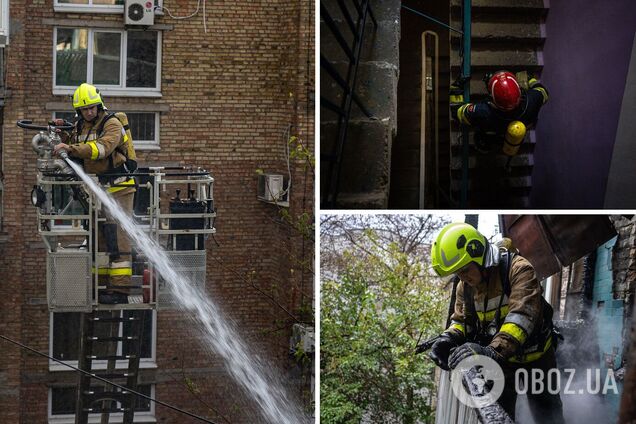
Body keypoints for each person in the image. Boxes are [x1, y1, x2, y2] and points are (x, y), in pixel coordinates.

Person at [424, 222, 564, 424]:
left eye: (464, 269)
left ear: (479, 254)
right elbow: (462, 321)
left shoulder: (519, 269)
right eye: (458, 273)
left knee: (548, 414)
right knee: (499, 413)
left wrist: (491, 352)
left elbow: (522, 316)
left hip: (538, 358)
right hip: (503, 362)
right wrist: (448, 337)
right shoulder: (466, 287)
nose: (462, 277)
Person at [54, 83, 139, 304]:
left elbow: (102, 149)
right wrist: (63, 135)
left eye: (92, 107)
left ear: (99, 105)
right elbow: (74, 147)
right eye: (84, 109)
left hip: (119, 187)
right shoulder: (80, 127)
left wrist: (70, 149)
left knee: (119, 236)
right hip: (98, 190)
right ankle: (102, 287)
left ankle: (120, 290)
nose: (89, 112)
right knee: (100, 238)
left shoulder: (112, 123)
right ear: (79, 111)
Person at [451, 71, 549, 153]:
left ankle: (484, 144)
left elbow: (456, 112)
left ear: (492, 98)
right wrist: (530, 79)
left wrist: (456, 89)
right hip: (515, 132)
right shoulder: (533, 100)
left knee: (480, 136)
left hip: (492, 131)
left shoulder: (482, 112)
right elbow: (543, 91)